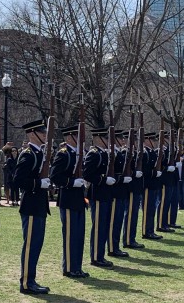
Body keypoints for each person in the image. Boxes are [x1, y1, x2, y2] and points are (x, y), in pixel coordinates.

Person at [12, 118, 51, 293]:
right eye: (42, 132)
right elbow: (18, 180)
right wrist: (38, 184)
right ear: (32, 134)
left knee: (37, 244)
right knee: (30, 245)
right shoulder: (28, 154)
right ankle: (27, 282)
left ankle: (31, 278)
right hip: (31, 205)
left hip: (39, 205)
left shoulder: (40, 153)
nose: (45, 135)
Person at [50, 125, 88, 278]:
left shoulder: (79, 154)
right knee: (70, 236)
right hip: (68, 199)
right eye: (78, 136)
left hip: (78, 199)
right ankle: (69, 268)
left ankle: (77, 266)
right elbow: (55, 176)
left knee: (79, 235)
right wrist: (71, 183)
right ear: (69, 137)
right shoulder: (63, 154)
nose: (81, 139)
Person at [84, 129, 116, 265]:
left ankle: (100, 255)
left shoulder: (104, 154)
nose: (108, 141)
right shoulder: (94, 154)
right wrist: (103, 180)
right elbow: (87, 174)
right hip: (97, 194)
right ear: (98, 138)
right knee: (98, 227)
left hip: (106, 194)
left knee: (104, 226)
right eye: (105, 138)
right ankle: (96, 257)